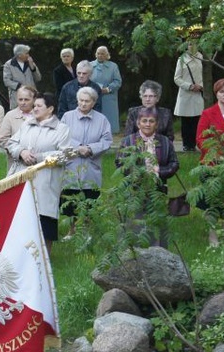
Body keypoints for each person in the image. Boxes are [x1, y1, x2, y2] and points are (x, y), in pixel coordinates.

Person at [6, 92, 71, 255]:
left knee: (45, 221)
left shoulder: (62, 129)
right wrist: (22, 152)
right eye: (34, 106)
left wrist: (39, 157)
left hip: (46, 181)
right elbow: (11, 143)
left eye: (38, 106)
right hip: (23, 178)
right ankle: (21, 257)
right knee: (22, 217)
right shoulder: (27, 124)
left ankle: (45, 258)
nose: (34, 108)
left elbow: (66, 155)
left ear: (50, 109)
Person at [116, 107, 180, 248]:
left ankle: (159, 252)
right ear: (138, 123)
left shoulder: (165, 142)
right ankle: (133, 251)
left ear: (156, 124)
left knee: (157, 222)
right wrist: (139, 173)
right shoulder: (128, 141)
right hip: (134, 190)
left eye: (151, 121)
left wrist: (158, 172)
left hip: (158, 190)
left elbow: (174, 164)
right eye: (144, 121)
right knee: (135, 222)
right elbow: (120, 163)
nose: (147, 124)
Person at [59, 86, 113, 239]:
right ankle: (72, 230)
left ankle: (87, 230)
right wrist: (78, 148)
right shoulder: (67, 117)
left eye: (87, 101)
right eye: (81, 101)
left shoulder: (102, 119)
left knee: (90, 199)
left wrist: (90, 148)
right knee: (71, 199)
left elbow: (107, 140)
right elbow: (61, 137)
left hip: (91, 165)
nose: (83, 104)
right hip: (72, 165)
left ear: (94, 102)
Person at [174, 38, 204, 152]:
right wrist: (190, 86)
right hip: (186, 94)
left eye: (194, 44)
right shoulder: (181, 60)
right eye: (190, 44)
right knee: (186, 122)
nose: (192, 46)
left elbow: (204, 75)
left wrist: (200, 86)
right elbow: (177, 78)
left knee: (197, 120)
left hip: (198, 93)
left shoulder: (202, 58)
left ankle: (196, 143)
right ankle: (187, 145)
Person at [0, 85, 36, 167]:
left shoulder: (40, 115)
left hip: (37, 161)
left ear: (34, 100)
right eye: (20, 99)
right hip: (16, 163)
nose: (23, 102)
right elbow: (3, 139)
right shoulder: (10, 115)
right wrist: (20, 151)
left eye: (26, 99)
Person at [90, 46, 121, 133]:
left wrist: (108, 89)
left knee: (108, 123)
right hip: (93, 96)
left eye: (102, 54)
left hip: (108, 97)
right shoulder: (90, 65)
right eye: (98, 53)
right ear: (96, 54)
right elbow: (85, 80)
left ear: (107, 55)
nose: (100, 55)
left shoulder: (113, 66)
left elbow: (118, 81)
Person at [3, 44, 41, 109]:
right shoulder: (8, 64)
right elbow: (7, 81)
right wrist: (20, 86)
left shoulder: (30, 62)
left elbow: (38, 78)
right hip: (17, 98)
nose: (28, 55)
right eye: (26, 53)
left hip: (32, 97)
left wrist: (33, 68)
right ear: (19, 55)